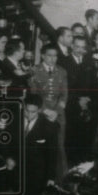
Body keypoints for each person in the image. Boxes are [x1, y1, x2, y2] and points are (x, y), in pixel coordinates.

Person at [28, 43, 69, 177]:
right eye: (49, 56)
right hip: (40, 113)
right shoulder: (34, 70)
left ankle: (60, 179)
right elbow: (34, 95)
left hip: (58, 114)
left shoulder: (62, 71)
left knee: (59, 146)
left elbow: (64, 95)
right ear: (43, 56)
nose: (53, 59)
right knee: (41, 147)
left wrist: (56, 111)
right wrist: (46, 111)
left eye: (55, 56)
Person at [20, 93, 60, 195]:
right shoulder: (16, 121)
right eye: (27, 111)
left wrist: (51, 177)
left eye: (33, 112)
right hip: (20, 174)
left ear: (40, 110)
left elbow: (53, 154)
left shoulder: (48, 127)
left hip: (38, 176)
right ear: (23, 107)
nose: (29, 115)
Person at [64, 34, 98, 165]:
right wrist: (78, 99)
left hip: (88, 107)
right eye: (77, 46)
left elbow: (95, 84)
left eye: (83, 47)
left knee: (85, 141)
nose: (80, 50)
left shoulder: (90, 62)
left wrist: (89, 99)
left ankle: (83, 169)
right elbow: (63, 87)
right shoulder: (64, 62)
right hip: (71, 107)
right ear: (72, 46)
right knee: (71, 140)